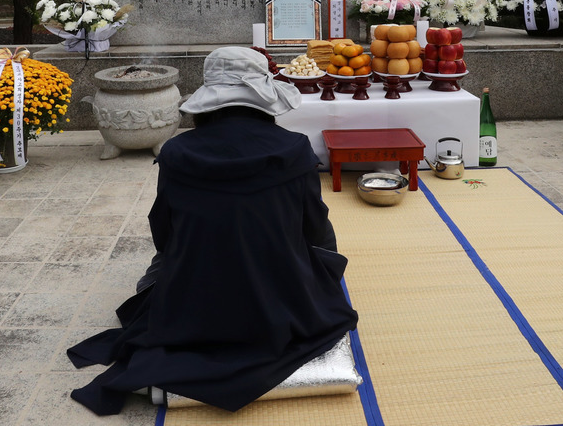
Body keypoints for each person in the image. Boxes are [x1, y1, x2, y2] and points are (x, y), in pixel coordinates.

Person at [67, 46, 358, 415]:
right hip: (282, 302)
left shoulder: (176, 152)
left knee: (153, 283)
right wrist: (326, 278)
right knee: (315, 271)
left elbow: (165, 232)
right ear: (264, 100)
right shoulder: (295, 149)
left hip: (194, 299)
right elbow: (316, 228)